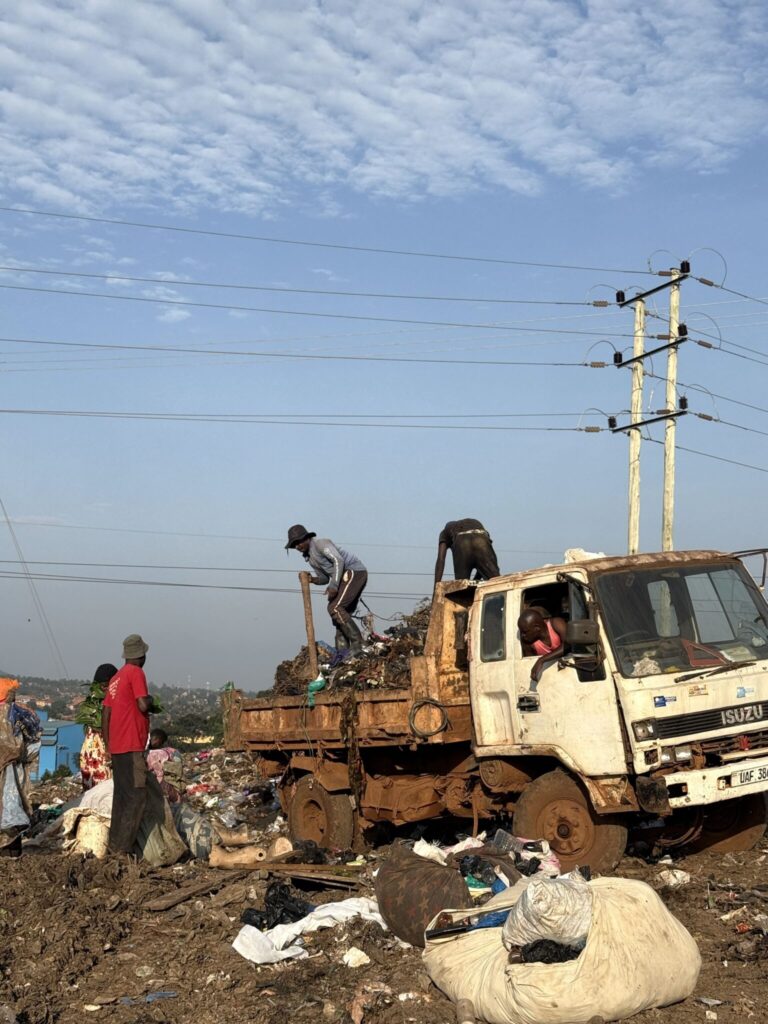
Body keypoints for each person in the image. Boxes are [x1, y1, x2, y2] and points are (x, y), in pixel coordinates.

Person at [101, 633, 157, 855]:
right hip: (132, 744)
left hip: (117, 747)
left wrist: (108, 745)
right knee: (136, 796)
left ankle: (114, 846)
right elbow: (143, 704)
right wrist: (151, 702)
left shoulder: (116, 678)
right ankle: (122, 852)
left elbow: (106, 713)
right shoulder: (136, 672)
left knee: (121, 797)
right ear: (141, 655)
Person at [285, 524, 368, 655]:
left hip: (353, 572)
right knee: (339, 614)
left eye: (299, 542)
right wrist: (312, 579)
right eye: (294, 545)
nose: (297, 546)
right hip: (342, 578)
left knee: (335, 608)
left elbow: (338, 561)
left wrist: (334, 586)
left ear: (307, 538)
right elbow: (324, 578)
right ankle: (342, 651)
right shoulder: (311, 559)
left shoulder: (320, 544)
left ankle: (359, 644)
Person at [0, 678, 42, 858]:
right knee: (13, 809)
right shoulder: (22, 714)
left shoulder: (14, 714)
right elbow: (34, 744)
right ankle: (12, 852)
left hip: (11, 772)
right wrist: (21, 758)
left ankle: (9, 853)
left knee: (9, 809)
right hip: (15, 772)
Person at [79, 663, 118, 791]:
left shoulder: (112, 700)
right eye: (103, 686)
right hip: (98, 752)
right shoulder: (95, 704)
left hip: (97, 752)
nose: (105, 689)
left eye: (107, 685)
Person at [434, 518, 500, 584]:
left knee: (462, 586)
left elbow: (440, 560)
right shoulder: (475, 524)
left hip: (462, 544)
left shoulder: (444, 532)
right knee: (498, 583)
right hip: (482, 540)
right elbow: (483, 564)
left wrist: (436, 587)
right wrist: (475, 580)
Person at [518, 609, 567, 682]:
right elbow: (531, 665)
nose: (522, 636)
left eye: (525, 632)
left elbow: (568, 645)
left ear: (537, 628)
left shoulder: (556, 623)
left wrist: (541, 660)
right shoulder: (529, 644)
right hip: (550, 679)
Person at [146, 728, 183, 803]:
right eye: (161, 742)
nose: (160, 744)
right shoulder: (158, 753)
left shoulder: (151, 751)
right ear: (157, 739)